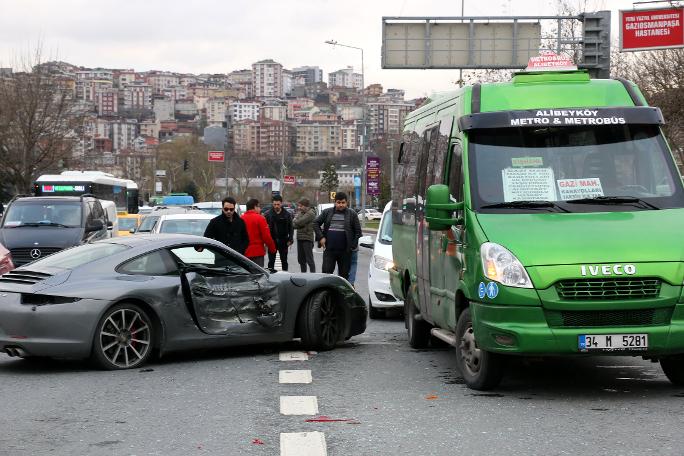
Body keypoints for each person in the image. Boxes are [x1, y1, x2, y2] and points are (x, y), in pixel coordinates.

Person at [313, 192, 361, 281]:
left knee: (343, 279)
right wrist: (321, 237)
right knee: (326, 276)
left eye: (343, 203)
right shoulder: (327, 212)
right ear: (335, 202)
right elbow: (315, 223)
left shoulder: (352, 214)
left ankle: (340, 295)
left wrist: (352, 246)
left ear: (346, 203)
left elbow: (358, 232)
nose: (341, 205)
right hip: (329, 251)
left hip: (345, 252)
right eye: (338, 202)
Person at [241, 198, 276, 267]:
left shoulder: (241, 219)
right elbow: (266, 236)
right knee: (258, 275)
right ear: (255, 207)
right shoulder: (260, 218)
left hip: (244, 252)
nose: (260, 209)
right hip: (257, 253)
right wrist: (272, 249)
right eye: (259, 207)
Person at [264, 194, 294, 271]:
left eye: (278, 204)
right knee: (271, 261)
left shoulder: (287, 214)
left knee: (284, 261)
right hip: (272, 241)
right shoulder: (268, 214)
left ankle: (285, 276)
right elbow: (264, 228)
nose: (276, 206)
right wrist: (265, 241)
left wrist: (290, 239)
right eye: (275, 204)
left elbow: (291, 227)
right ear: (272, 204)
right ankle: (271, 277)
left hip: (284, 241)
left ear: (281, 203)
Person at [292, 197, 316, 272]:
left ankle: (313, 275)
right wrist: (298, 222)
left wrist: (298, 222)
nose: (299, 208)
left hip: (307, 238)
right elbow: (294, 224)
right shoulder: (300, 213)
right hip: (300, 238)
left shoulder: (311, 213)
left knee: (309, 260)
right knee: (301, 260)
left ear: (306, 206)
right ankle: (303, 275)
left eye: (301, 206)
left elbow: (299, 222)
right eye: (299, 206)